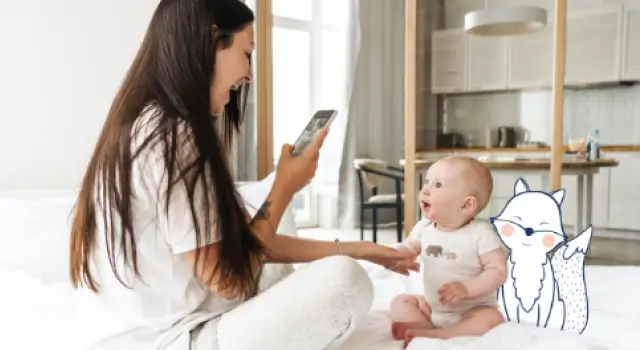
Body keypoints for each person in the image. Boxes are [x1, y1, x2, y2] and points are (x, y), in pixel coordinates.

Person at [67, 1, 416, 349]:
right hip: (173, 339)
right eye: (246, 52)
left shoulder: (148, 121)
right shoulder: (172, 135)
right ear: (211, 41)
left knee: (286, 268)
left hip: (165, 325)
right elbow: (229, 281)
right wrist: (283, 188)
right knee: (345, 281)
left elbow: (246, 246)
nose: (248, 74)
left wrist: (361, 249)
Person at [388, 156, 507, 347]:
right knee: (401, 301)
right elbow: (408, 248)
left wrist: (466, 288)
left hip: (470, 309)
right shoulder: (424, 227)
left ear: (466, 205)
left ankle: (442, 335)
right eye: (427, 182)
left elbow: (498, 271)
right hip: (433, 307)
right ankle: (421, 325)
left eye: (437, 185)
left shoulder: (481, 234)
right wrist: (396, 257)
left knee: (492, 319)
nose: (425, 189)